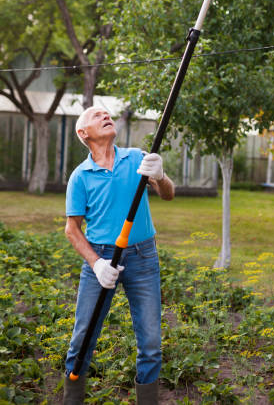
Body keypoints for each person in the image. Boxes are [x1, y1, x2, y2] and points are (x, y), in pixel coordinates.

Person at [63, 106, 175, 405]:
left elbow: (168, 194)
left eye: (107, 112)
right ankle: (72, 399)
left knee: (150, 342)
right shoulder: (80, 177)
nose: (105, 115)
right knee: (82, 339)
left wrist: (161, 176)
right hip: (100, 258)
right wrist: (96, 263)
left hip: (143, 257)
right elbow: (72, 229)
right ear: (82, 133)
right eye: (96, 114)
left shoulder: (137, 159)